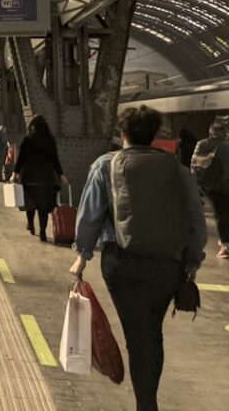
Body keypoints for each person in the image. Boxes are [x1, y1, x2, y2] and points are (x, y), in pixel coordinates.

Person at [70, 106, 207, 411]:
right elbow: (195, 221)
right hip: (167, 265)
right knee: (151, 332)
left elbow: (90, 216)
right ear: (156, 134)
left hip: (122, 265)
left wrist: (82, 254)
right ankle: (148, 401)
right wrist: (191, 263)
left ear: (123, 133)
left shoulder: (106, 164)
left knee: (136, 333)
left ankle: (146, 404)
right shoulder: (177, 170)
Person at [12, 115, 67, 241]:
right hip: (46, 179)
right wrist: (61, 175)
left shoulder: (27, 140)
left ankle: (31, 225)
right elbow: (55, 160)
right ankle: (43, 232)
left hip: (29, 179)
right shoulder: (50, 140)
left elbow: (21, 159)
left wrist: (15, 173)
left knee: (30, 205)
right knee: (44, 207)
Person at [191, 119, 229, 260]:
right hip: (224, 186)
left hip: (209, 185)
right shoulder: (226, 146)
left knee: (220, 213)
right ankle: (226, 244)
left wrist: (196, 184)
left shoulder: (202, 144)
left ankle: (225, 243)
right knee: (223, 214)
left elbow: (194, 165)